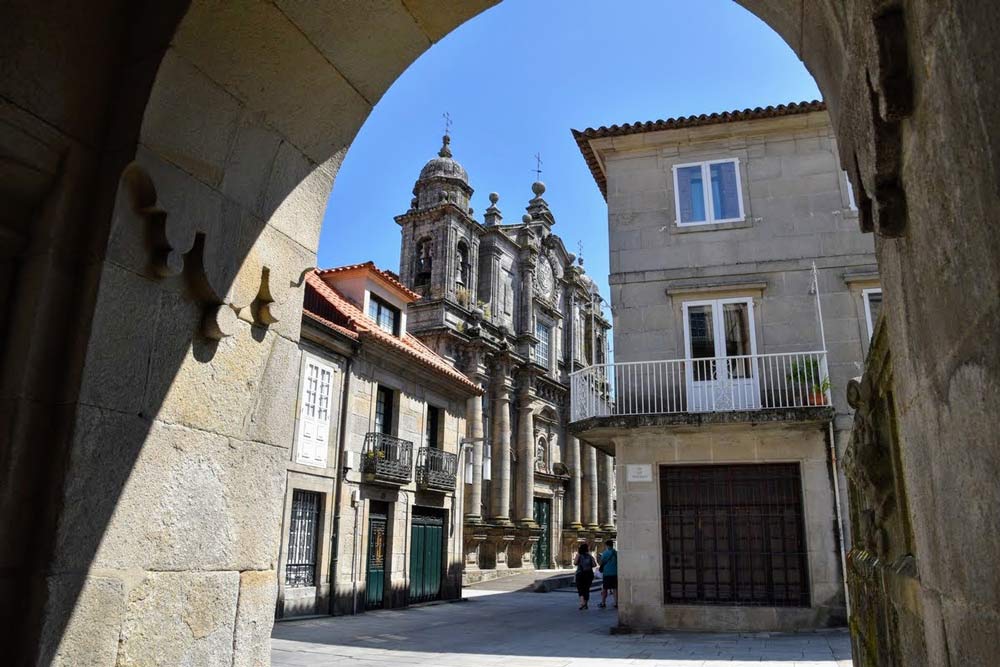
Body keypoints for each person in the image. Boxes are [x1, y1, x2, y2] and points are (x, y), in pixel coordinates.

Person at [572, 543, 597, 610]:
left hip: (580, 574)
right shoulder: (590, 556)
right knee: (586, 589)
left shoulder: (578, 555)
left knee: (580, 588)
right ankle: (586, 604)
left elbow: (575, 563)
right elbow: (594, 565)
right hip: (589, 574)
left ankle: (582, 602)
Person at [597, 539, 618, 609]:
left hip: (607, 573)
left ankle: (603, 603)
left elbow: (601, 562)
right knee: (615, 588)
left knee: (605, 588)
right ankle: (615, 603)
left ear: (607, 545)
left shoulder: (605, 553)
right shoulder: (616, 552)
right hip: (615, 573)